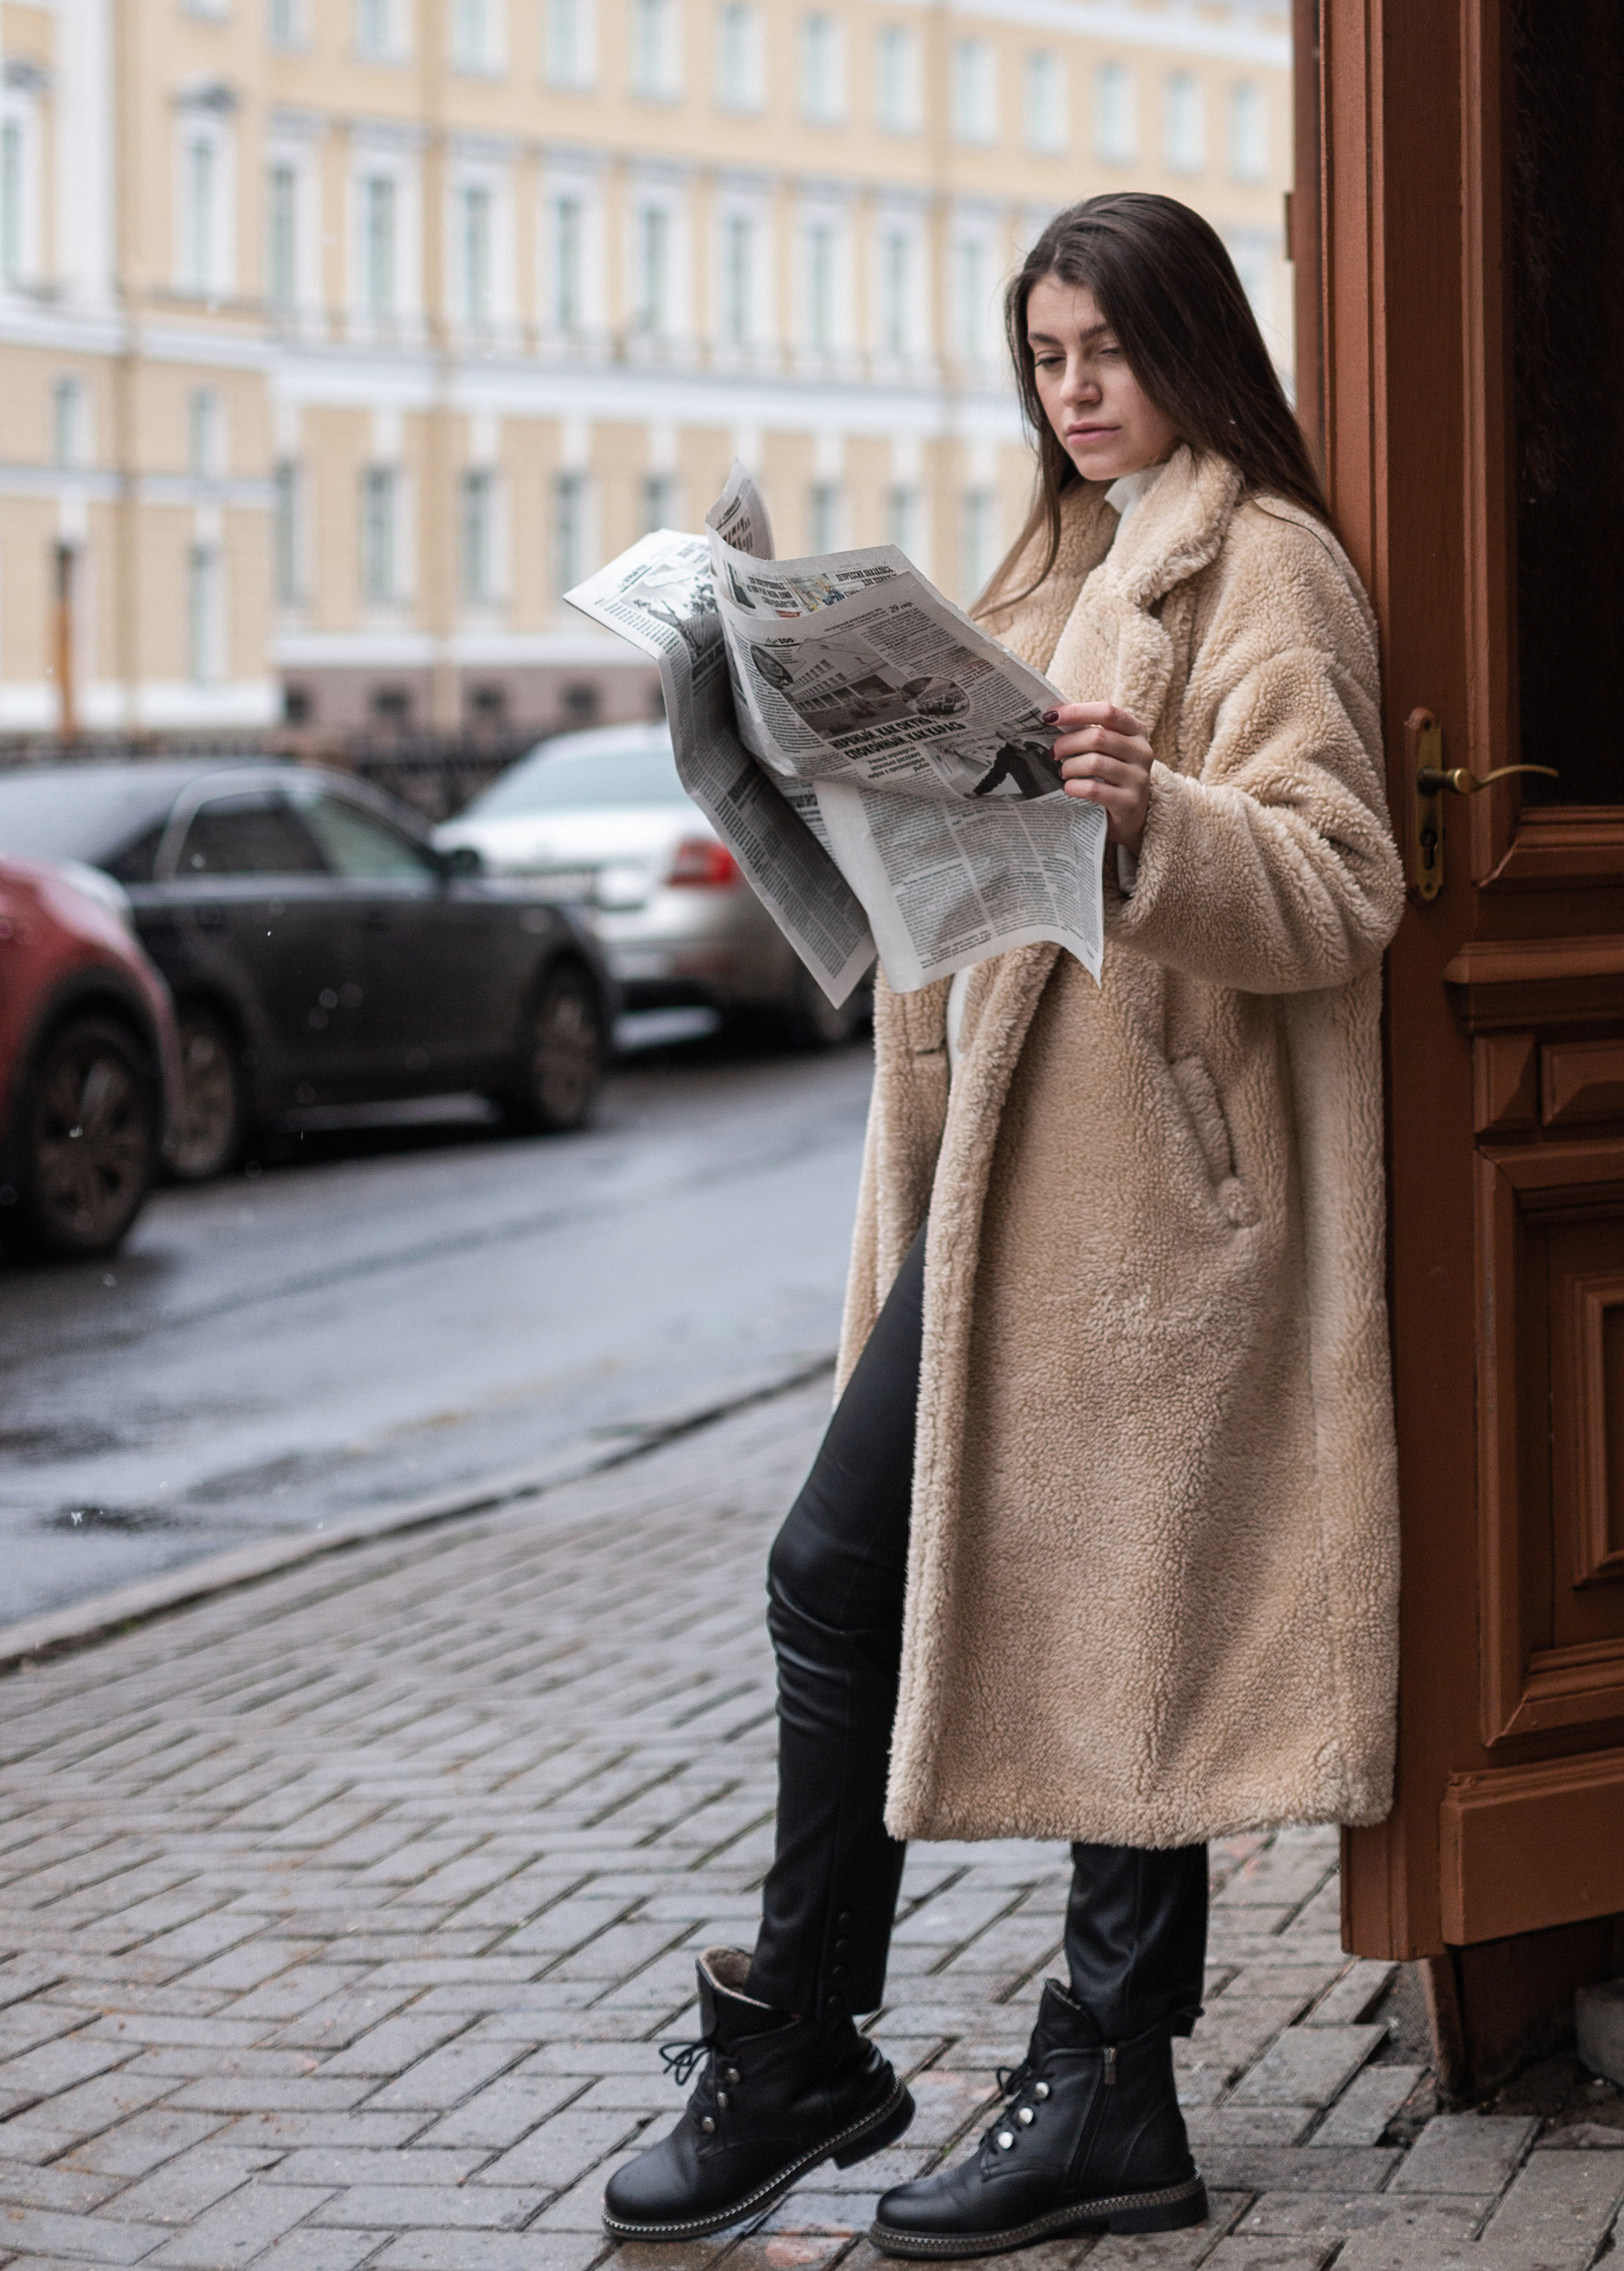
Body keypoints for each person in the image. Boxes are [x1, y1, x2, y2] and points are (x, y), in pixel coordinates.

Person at [603, 190, 1404, 2254]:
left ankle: (1090, 2083)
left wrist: (1157, 817)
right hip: (990, 1177)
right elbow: (923, 889)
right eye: (1044, 357)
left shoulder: (1268, 568)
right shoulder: (1045, 556)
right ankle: (818, 2041)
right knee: (852, 1571)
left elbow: (1335, 886)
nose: (1072, 391)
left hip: (1151, 1186)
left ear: (1189, 349)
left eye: (1105, 352)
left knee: (1106, 1609)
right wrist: (755, 719)